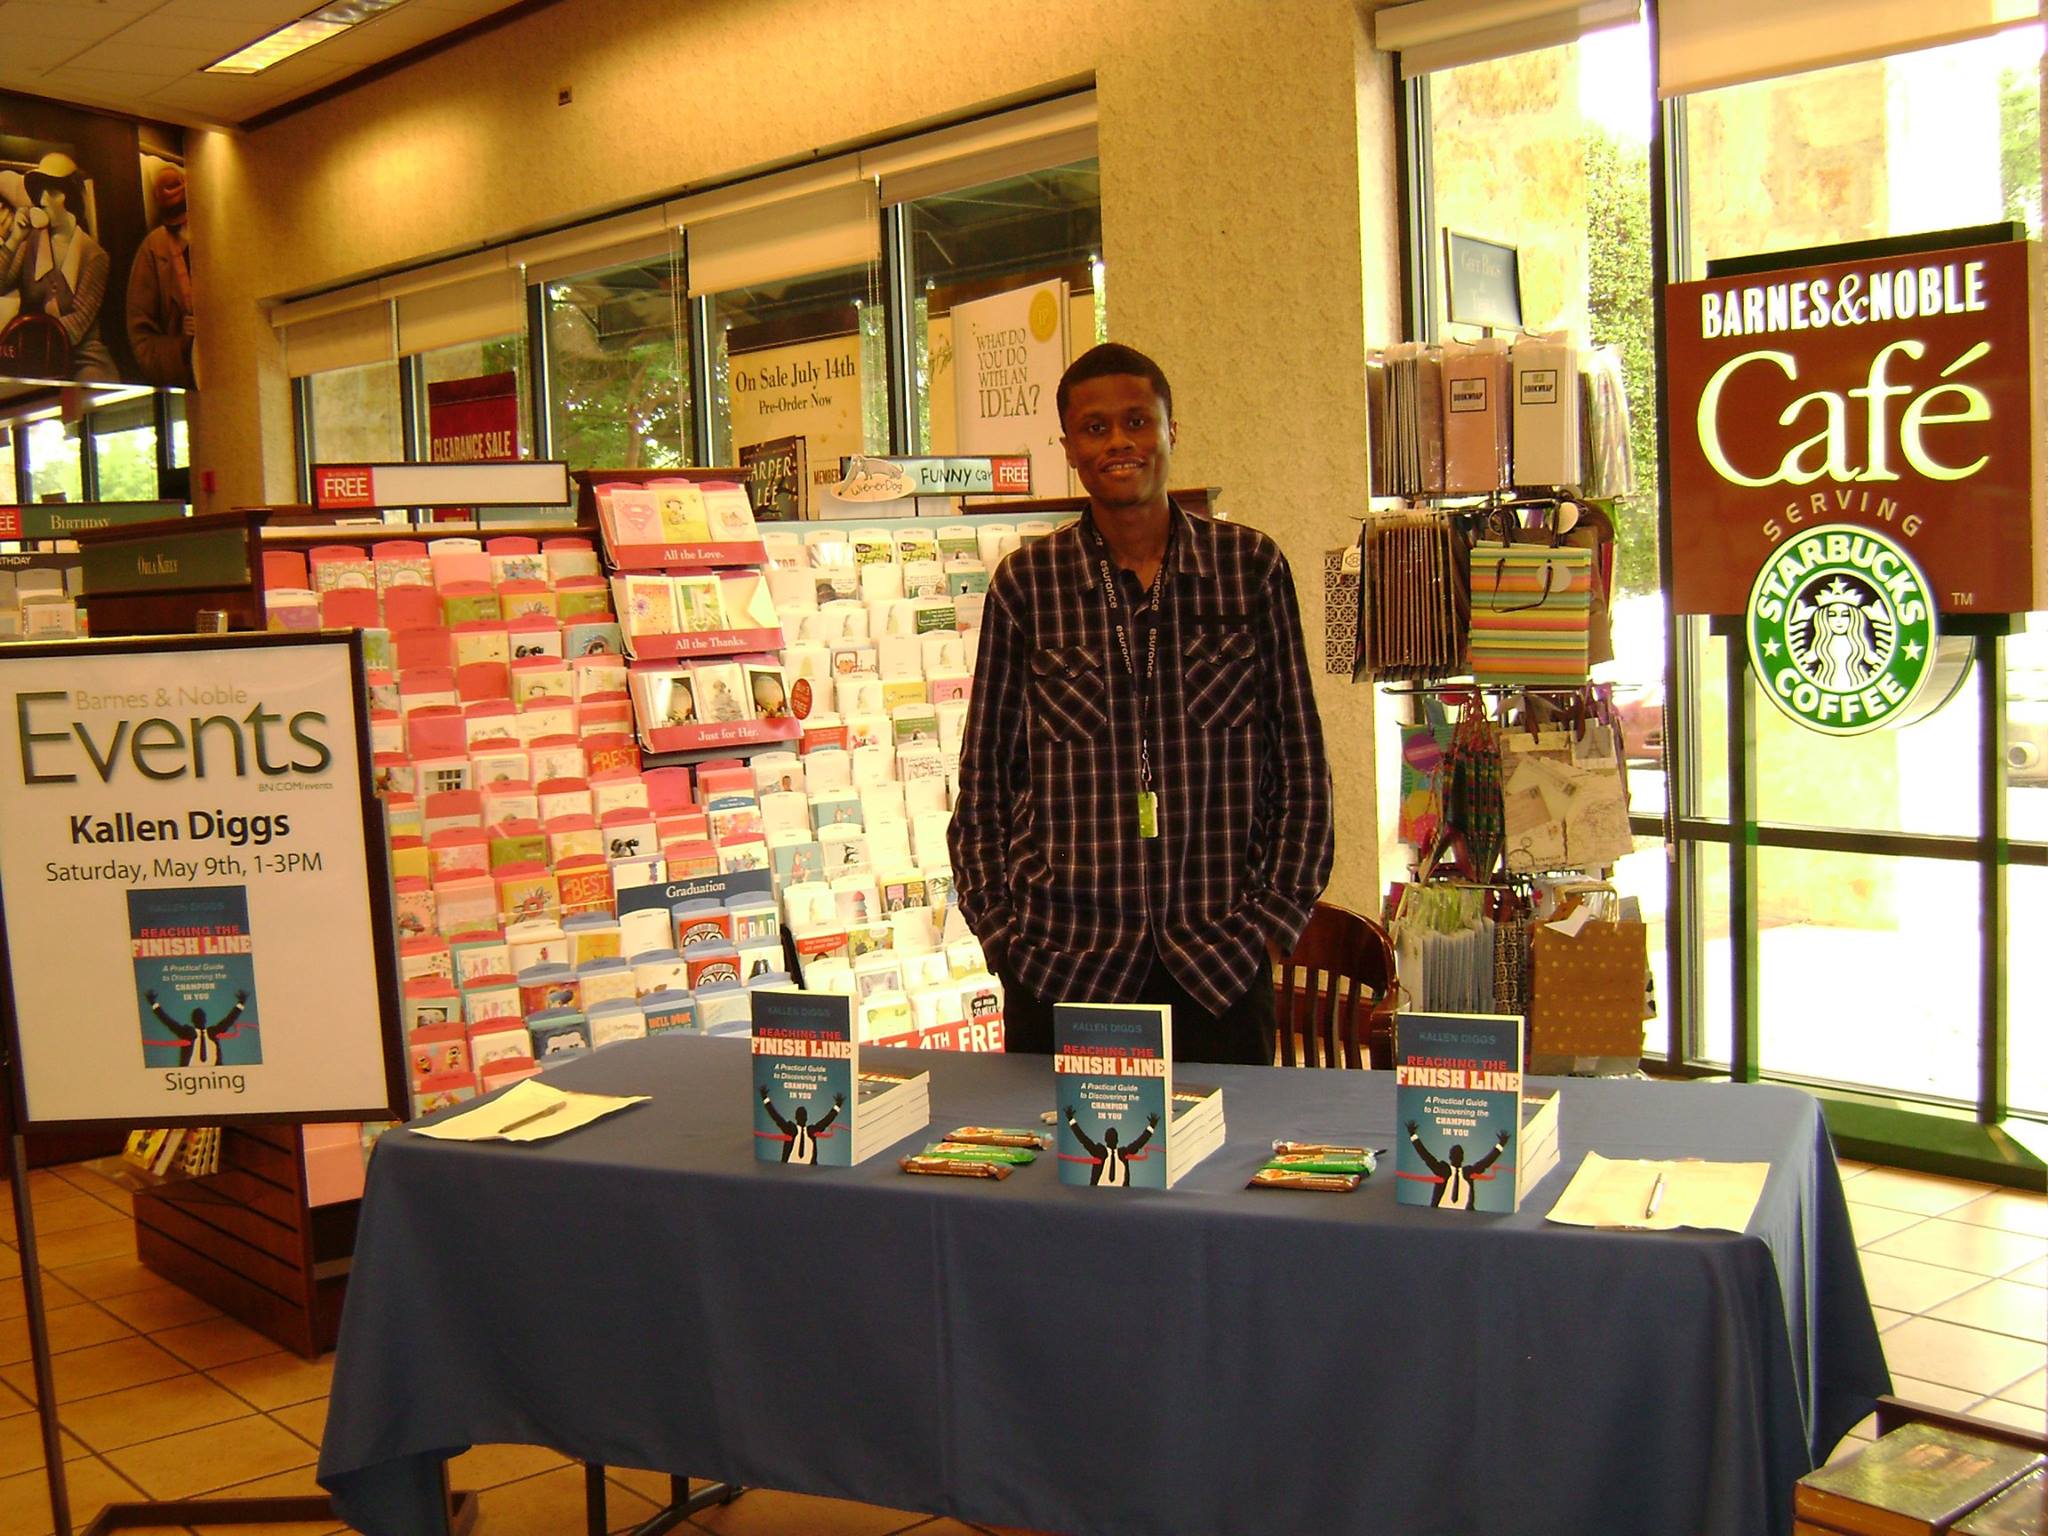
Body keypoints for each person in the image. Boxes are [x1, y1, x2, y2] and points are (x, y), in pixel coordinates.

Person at [950, 342, 1334, 1064]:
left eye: (1137, 421)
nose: (1119, 442)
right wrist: (1000, 936)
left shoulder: (1249, 570)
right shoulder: (1027, 586)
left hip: (1217, 970)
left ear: (1171, 429)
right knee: (1061, 1174)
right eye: (1095, 429)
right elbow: (984, 784)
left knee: (1222, 1175)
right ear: (1069, 448)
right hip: (1064, 968)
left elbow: (1301, 764)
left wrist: (1275, 921)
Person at [1, 153, 117, 383]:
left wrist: (32, 335)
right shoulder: (30, 242)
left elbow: (78, 324)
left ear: (70, 197)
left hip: (82, 358)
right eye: (40, 192)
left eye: (52, 192)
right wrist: (14, 240)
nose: (42, 201)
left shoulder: (95, 256)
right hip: (33, 354)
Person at [125, 163, 196, 389]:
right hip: (190, 372)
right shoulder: (153, 249)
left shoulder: (219, 237)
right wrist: (182, 343)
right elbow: (142, 342)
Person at [1405, 1121, 1511, 1211]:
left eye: (1459, 1155)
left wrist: (1500, 1145)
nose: (1457, 1158)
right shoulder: (1443, 1170)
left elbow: (1486, 1162)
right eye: (1455, 1155)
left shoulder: (1468, 1172)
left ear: (1462, 1158)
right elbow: (1426, 1157)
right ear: (1450, 1157)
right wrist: (1413, 1136)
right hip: (1440, 1215)